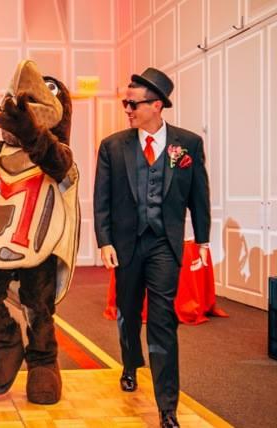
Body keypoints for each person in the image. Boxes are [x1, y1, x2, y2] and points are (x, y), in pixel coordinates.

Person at [93, 68, 211, 428]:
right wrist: (105, 241)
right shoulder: (113, 146)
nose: (127, 109)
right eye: (125, 102)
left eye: (133, 103)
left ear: (156, 105)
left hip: (164, 244)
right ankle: (130, 363)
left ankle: (167, 408)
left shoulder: (186, 144)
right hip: (126, 245)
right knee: (128, 315)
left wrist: (203, 239)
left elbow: (198, 195)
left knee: (163, 322)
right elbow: (102, 200)